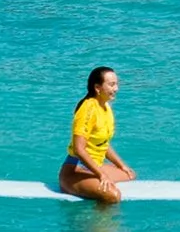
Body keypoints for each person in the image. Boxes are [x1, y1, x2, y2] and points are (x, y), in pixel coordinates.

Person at [59, 66, 138, 202]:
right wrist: (101, 175)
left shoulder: (105, 107)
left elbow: (102, 143)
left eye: (117, 84)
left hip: (93, 167)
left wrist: (121, 165)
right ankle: (96, 222)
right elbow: (79, 149)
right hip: (75, 170)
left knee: (130, 174)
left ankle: (95, 178)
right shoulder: (88, 109)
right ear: (97, 88)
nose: (116, 89)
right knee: (113, 196)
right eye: (112, 85)